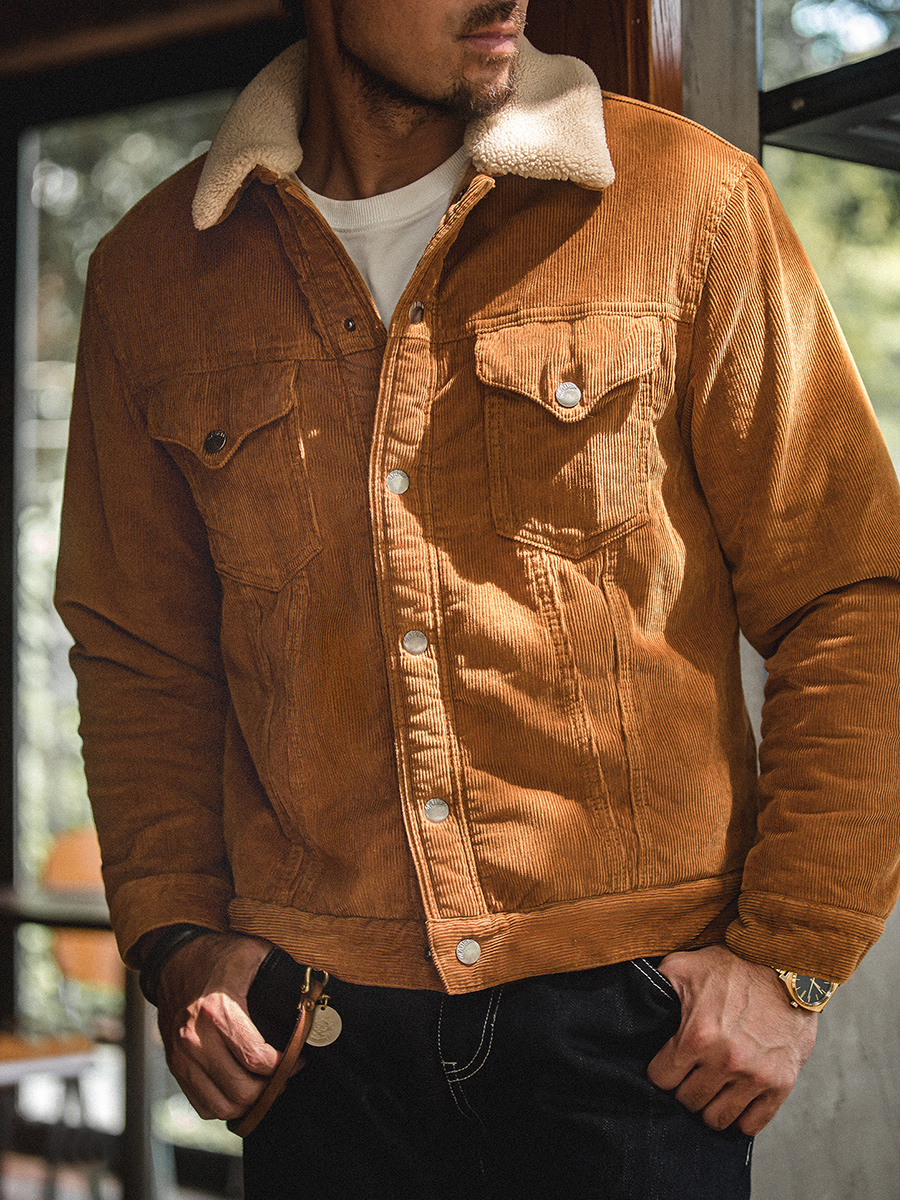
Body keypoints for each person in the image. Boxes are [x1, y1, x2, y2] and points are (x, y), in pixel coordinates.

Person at [55, 1, 900, 1196]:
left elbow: (854, 590)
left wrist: (790, 959)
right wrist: (177, 938)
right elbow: (141, 655)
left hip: (633, 1034)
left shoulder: (689, 201)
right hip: (319, 1043)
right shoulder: (154, 275)